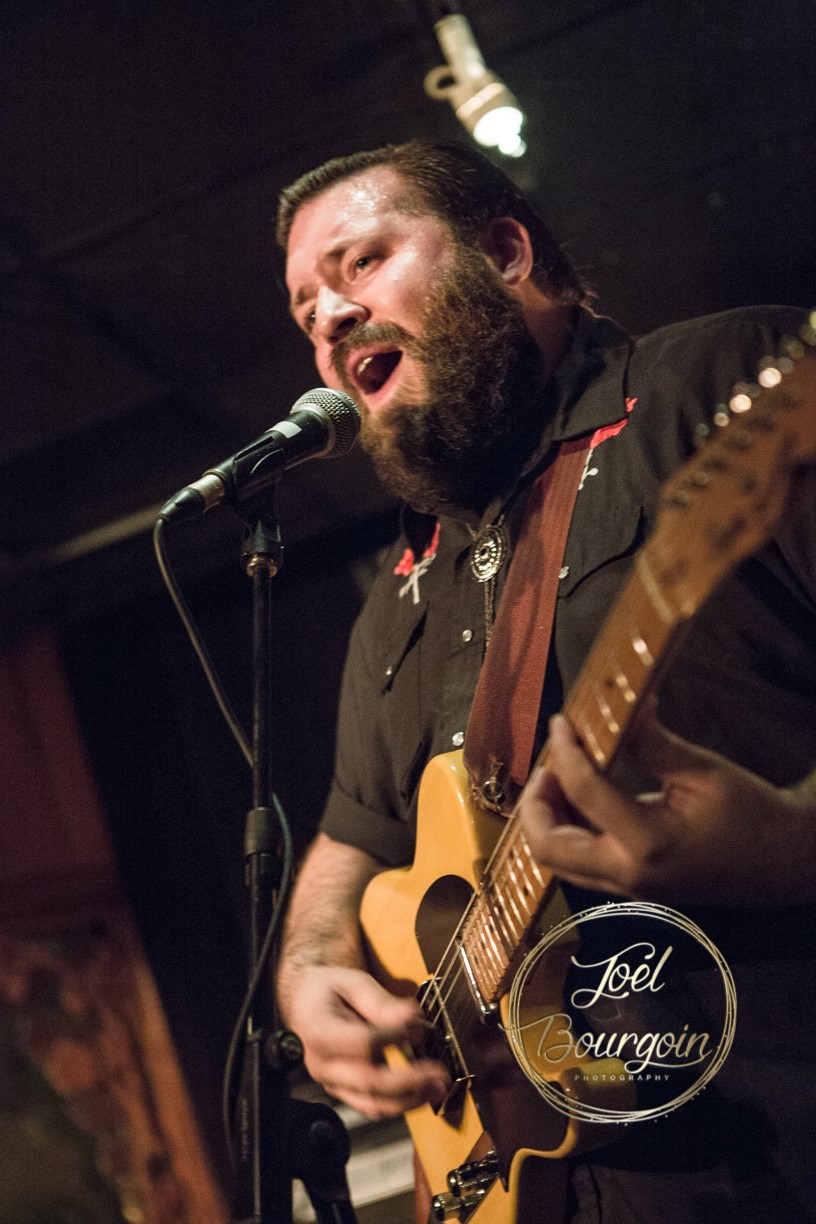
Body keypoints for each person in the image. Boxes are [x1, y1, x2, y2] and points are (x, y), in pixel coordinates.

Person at [275, 138, 816, 1222]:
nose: (329, 318)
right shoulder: (399, 596)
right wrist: (308, 971)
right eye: (305, 312)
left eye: (362, 261)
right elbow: (351, 839)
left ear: (507, 253)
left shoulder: (724, 385)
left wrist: (795, 842)